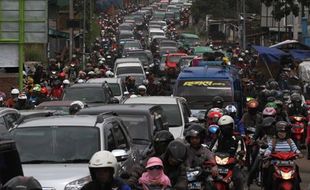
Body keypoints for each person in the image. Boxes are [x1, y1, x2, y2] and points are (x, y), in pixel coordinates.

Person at [263, 121, 302, 190]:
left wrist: (299, 153)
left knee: (296, 171)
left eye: (283, 132)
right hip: (275, 163)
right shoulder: (273, 141)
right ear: (276, 132)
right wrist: (267, 153)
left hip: (289, 163)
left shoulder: (290, 141)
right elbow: (268, 149)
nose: (282, 133)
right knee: (269, 173)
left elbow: (295, 149)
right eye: (280, 132)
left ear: (287, 132)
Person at [211, 115, 246, 190]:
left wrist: (238, 160)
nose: (225, 129)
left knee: (239, 178)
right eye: (223, 127)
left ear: (232, 126)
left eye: (227, 127)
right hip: (217, 164)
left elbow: (242, 152)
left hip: (232, 165)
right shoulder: (219, 138)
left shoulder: (238, 138)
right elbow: (212, 150)